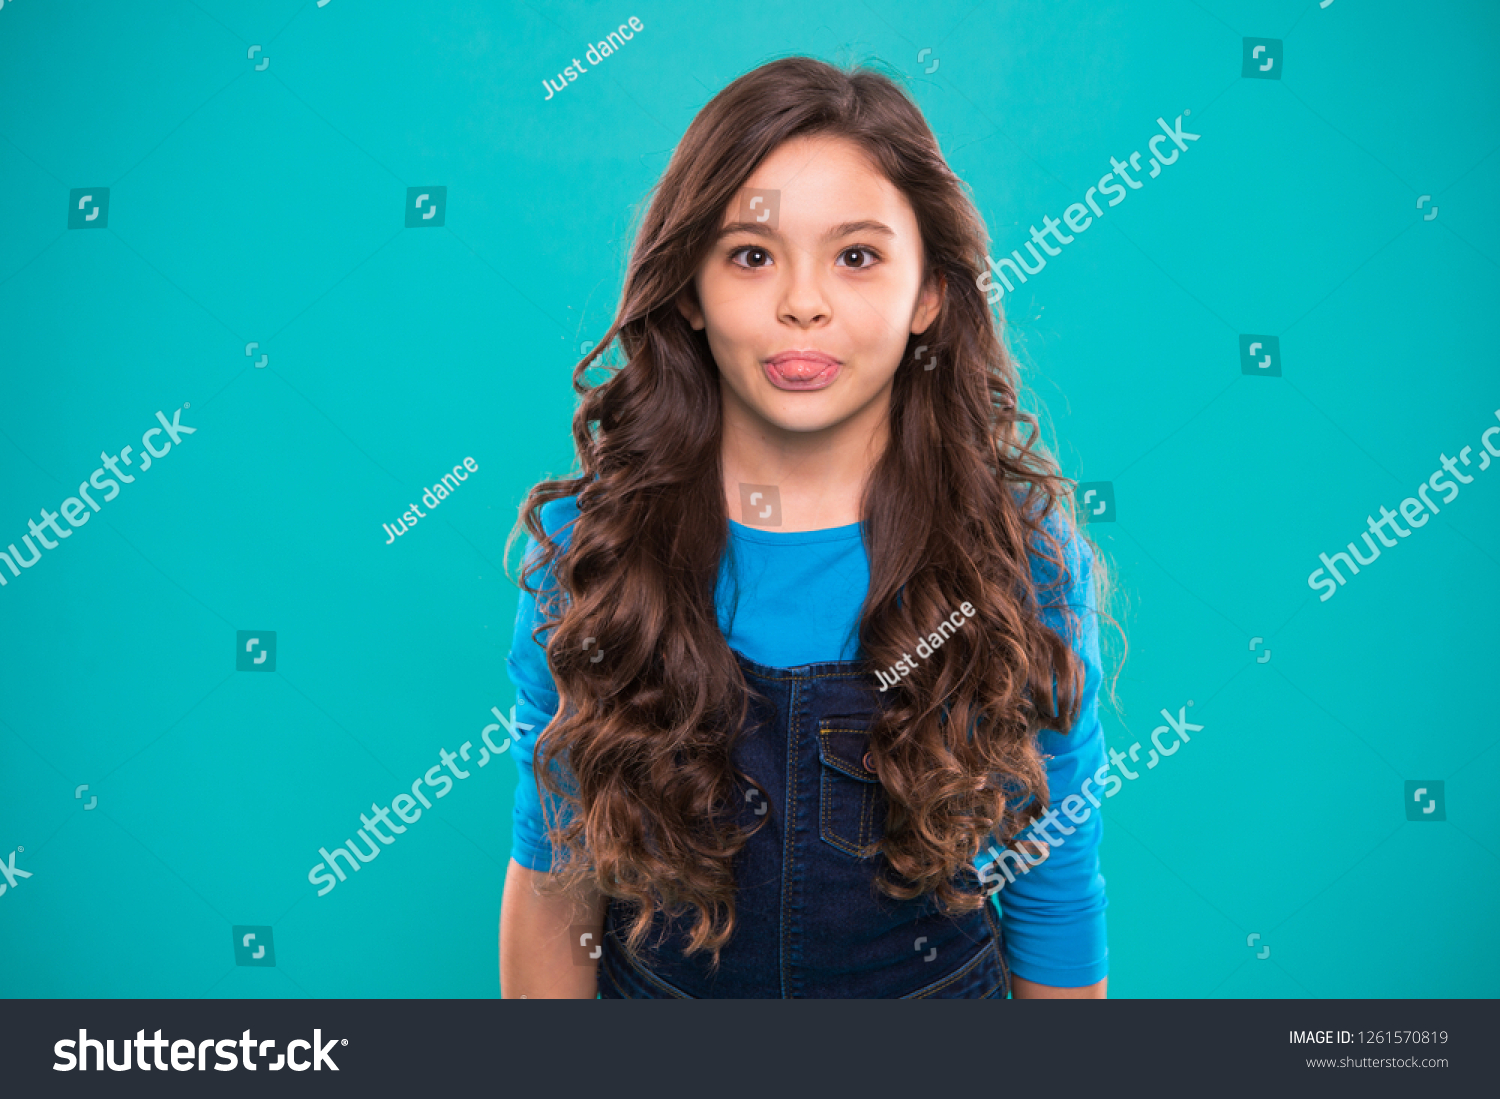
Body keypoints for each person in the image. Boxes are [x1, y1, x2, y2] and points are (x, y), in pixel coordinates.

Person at [498, 56, 1117, 999]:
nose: (804, 301)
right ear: (692, 294)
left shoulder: (1016, 559)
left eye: (857, 256)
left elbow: (1055, 893)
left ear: (930, 296)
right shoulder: (601, 549)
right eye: (751, 255)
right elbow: (554, 887)